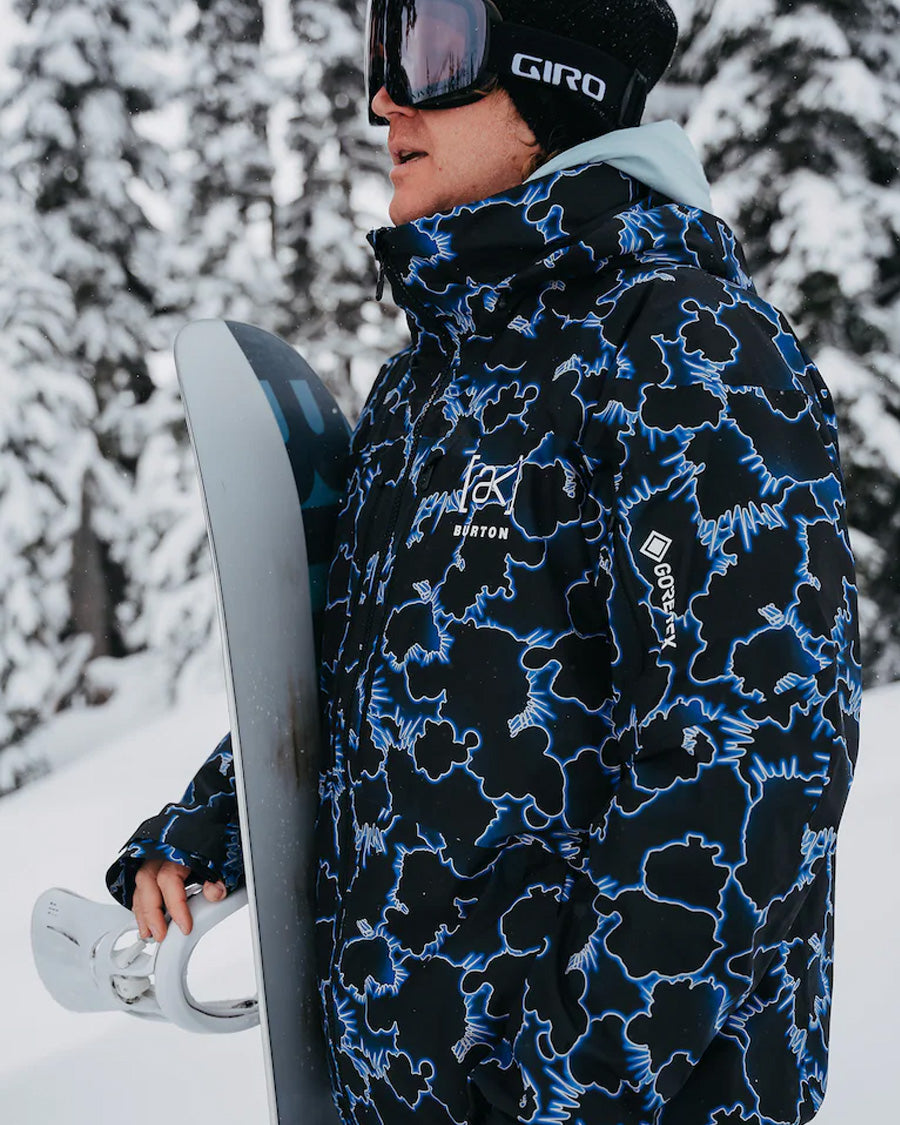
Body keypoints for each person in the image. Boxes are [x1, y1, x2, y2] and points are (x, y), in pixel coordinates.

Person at [107, 2, 861, 1123]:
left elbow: (750, 760)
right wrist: (218, 820)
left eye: (434, 48)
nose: (385, 99)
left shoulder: (682, 347)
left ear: (559, 82)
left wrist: (566, 1089)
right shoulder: (429, 384)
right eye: (384, 44)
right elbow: (371, 671)